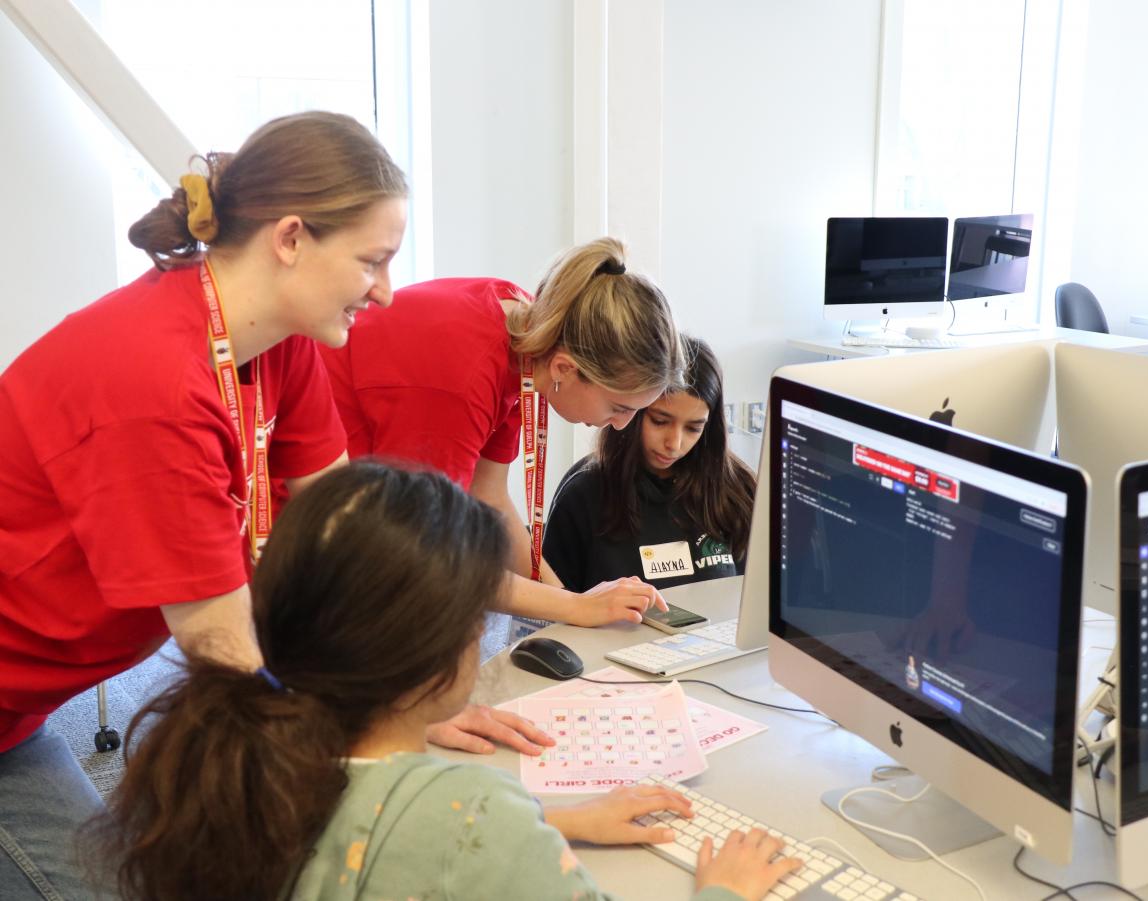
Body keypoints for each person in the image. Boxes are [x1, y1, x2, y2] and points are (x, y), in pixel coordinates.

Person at [0, 111, 537, 901]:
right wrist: (383, 735)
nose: (388, 292)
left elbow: (342, 527)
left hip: (28, 701)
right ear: (291, 238)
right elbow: (223, 646)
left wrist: (399, 696)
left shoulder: (271, 339)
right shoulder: (153, 385)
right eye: (373, 261)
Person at [96, 462, 801, 900]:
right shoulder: (470, 810)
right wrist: (723, 891)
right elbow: (446, 840)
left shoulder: (253, 767)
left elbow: (381, 846)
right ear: (440, 662)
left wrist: (557, 822)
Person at [318, 238, 685, 638]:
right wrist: (575, 606)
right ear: (565, 368)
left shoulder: (528, 332)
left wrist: (571, 604)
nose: (620, 426)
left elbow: (488, 495)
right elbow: (429, 554)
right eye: (619, 407)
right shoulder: (463, 376)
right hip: (310, 511)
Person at [543, 335, 757, 593]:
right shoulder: (584, 494)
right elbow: (553, 609)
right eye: (660, 421)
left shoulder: (738, 491)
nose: (674, 443)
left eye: (693, 428)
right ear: (633, 409)